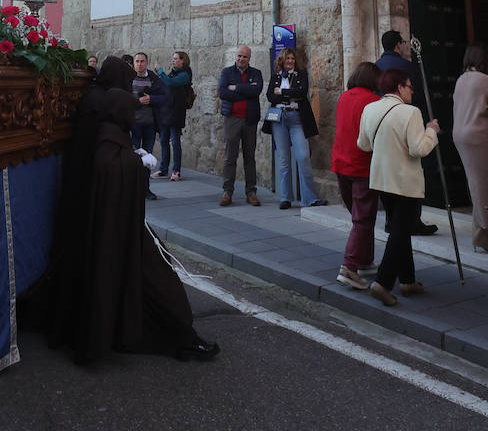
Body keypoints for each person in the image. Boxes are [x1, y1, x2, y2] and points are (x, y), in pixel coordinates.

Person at [46, 56, 219, 364]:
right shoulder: (104, 110)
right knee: (148, 278)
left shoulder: (98, 105)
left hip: (99, 213)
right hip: (111, 220)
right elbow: (106, 161)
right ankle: (176, 336)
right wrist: (132, 162)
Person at [357, 68, 440, 306]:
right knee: (400, 232)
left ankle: (408, 280)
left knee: (399, 229)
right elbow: (419, 149)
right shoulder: (410, 113)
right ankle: (382, 283)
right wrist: (431, 131)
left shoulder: (370, 108)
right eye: (409, 86)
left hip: (382, 179)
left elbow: (363, 144)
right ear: (400, 87)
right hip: (405, 182)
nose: (412, 90)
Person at [375, 29, 438, 236]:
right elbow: (416, 94)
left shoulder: (376, 67)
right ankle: (414, 222)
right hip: (406, 120)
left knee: (390, 175)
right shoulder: (407, 67)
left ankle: (390, 221)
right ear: (398, 45)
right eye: (402, 43)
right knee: (412, 172)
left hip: (384, 125)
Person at [451, 43, 488, 254]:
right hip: (481, 137)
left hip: (461, 136)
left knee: (479, 185)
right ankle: (483, 236)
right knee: (486, 187)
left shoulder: (461, 80)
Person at [332, 62, 382, 291]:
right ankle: (349, 266)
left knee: (361, 216)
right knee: (362, 218)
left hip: (340, 162)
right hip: (361, 165)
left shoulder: (344, 97)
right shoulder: (372, 101)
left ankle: (365, 260)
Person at [263, 48, 325, 209]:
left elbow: (301, 92)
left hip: (297, 118)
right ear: (281, 61)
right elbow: (270, 96)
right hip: (279, 119)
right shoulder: (276, 76)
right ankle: (286, 197)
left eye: (292, 58)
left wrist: (282, 92)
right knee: (284, 159)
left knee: (303, 157)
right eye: (287, 58)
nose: (290, 61)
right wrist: (290, 94)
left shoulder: (301, 75)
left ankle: (310, 198)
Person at [218, 45, 263, 207]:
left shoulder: (256, 73)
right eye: (239, 56)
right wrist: (245, 94)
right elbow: (222, 92)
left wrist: (236, 88)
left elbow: (256, 91)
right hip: (232, 119)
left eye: (244, 57)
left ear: (249, 58)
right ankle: (227, 192)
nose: (241, 59)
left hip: (250, 120)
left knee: (249, 157)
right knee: (230, 157)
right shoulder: (227, 72)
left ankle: (251, 192)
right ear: (236, 56)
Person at [129, 53, 166, 198]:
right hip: (134, 124)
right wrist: (137, 102)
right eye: (137, 61)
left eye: (142, 61)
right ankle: (134, 189)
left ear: (147, 62)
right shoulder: (129, 79)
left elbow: (165, 96)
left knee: (148, 158)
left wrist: (152, 98)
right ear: (133, 63)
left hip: (150, 124)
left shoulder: (153, 78)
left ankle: (146, 188)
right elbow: (123, 98)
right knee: (135, 157)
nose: (139, 64)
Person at [156, 51, 192, 181]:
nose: (173, 61)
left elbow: (171, 83)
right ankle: (163, 169)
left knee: (175, 142)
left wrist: (160, 71)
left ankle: (176, 171)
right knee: (163, 140)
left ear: (183, 61)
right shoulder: (173, 72)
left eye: (176, 59)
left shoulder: (185, 74)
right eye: (173, 59)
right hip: (166, 110)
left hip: (176, 112)